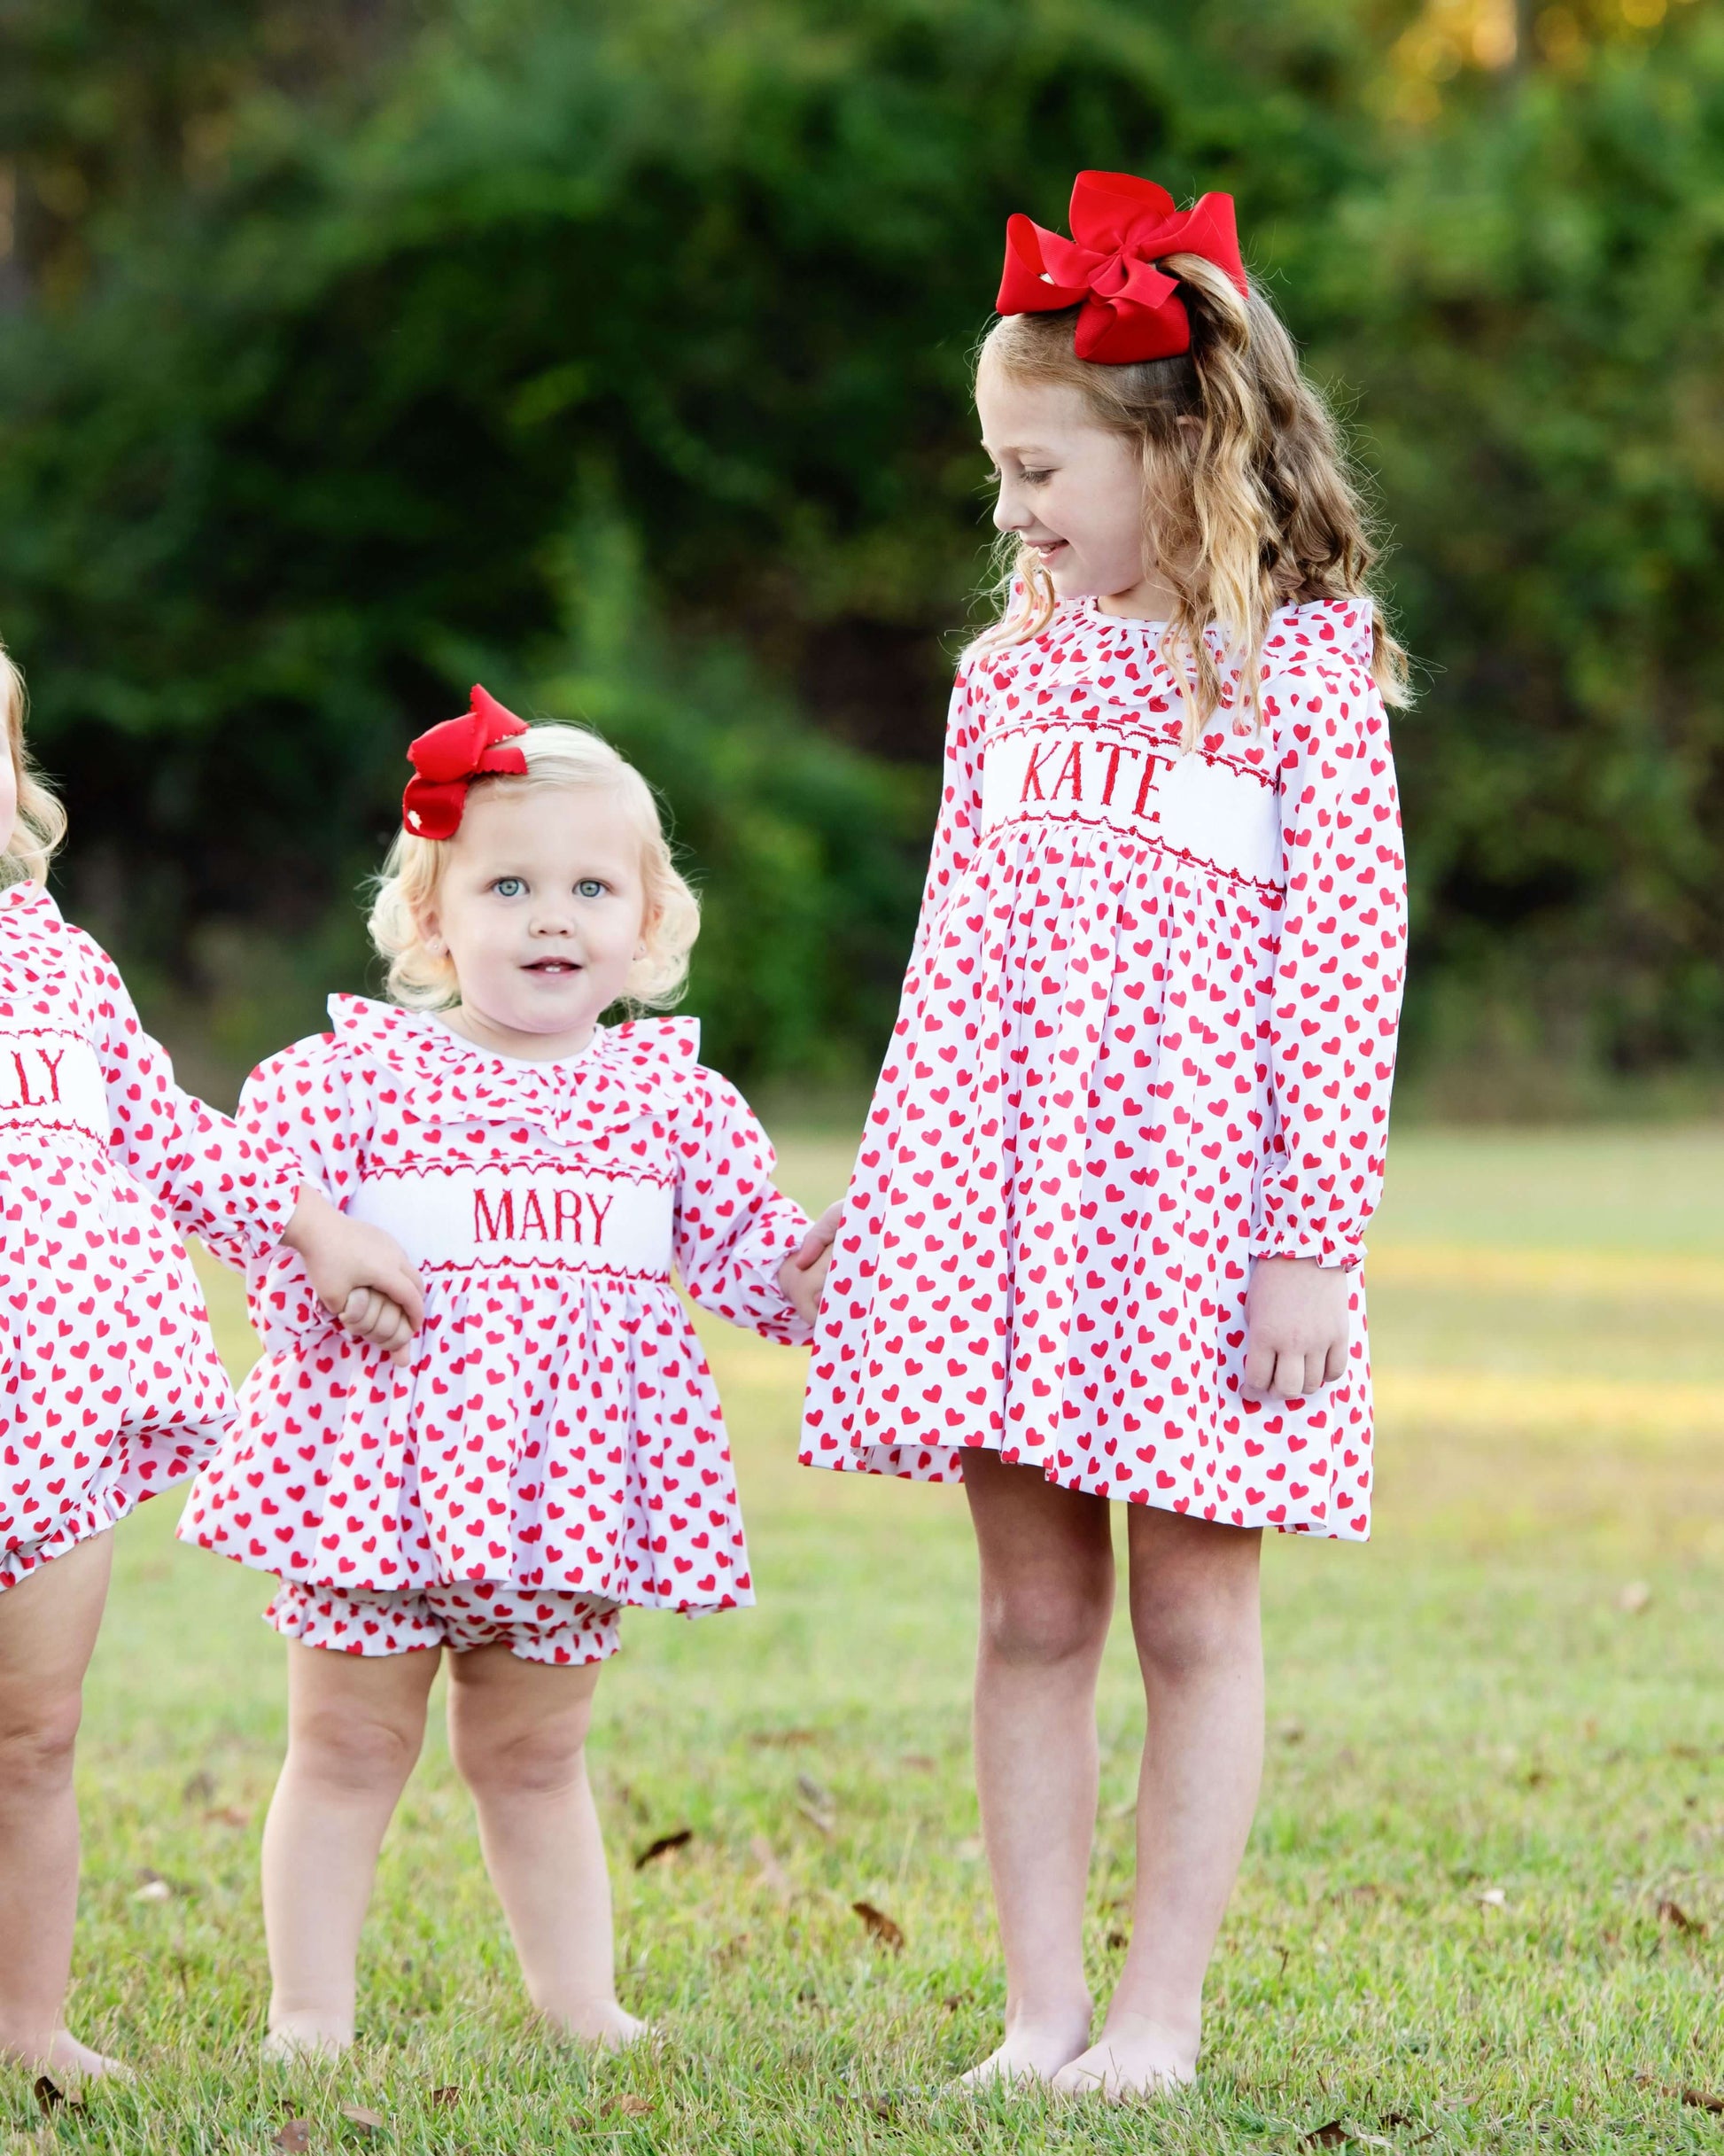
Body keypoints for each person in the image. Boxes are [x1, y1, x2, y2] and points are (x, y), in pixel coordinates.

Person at [792, 172, 1409, 2098]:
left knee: (1194, 1613)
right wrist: (890, 1201)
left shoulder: (1302, 673)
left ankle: (1159, 2015)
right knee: (1030, 1606)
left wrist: (1312, 1233)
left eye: (1040, 466)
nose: (1011, 511)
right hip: (1006, 1208)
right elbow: (946, 969)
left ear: (1180, 447)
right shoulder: (1005, 676)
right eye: (996, 472)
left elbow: (1346, 964)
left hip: (1203, 1225)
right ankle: (1040, 2005)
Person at [181, 694, 820, 2058]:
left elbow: (759, 1268)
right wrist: (320, 1241)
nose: (550, 917)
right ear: (431, 919)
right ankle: (308, 2009)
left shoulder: (676, 1101)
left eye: (591, 888)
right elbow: (248, 1200)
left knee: (534, 1752)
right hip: (375, 1473)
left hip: (567, 1485)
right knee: (349, 1745)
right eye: (509, 885)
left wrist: (840, 1259)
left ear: (648, 925)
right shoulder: (346, 1078)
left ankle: (579, 1999)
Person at [0, 636, 422, 2081]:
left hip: (49, 1400)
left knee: (33, 1733)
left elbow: (168, 1135)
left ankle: (25, 2026)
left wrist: (311, 1228)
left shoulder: (57, 968)